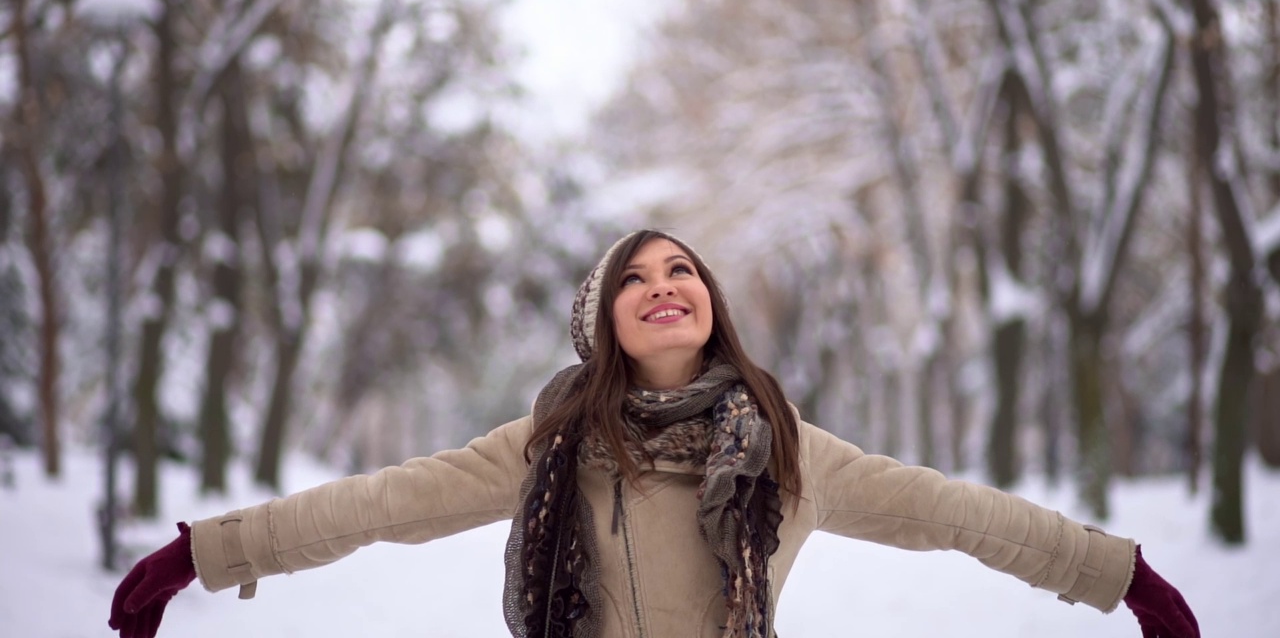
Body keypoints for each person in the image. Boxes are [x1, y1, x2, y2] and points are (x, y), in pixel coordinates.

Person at [109, 229, 1200, 638]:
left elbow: (955, 514)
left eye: (680, 268)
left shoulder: (784, 447)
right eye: (632, 277)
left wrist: (1116, 576)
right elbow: (382, 503)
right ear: (603, 326)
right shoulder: (551, 444)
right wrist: (205, 554)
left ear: (710, 300)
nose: (662, 284)